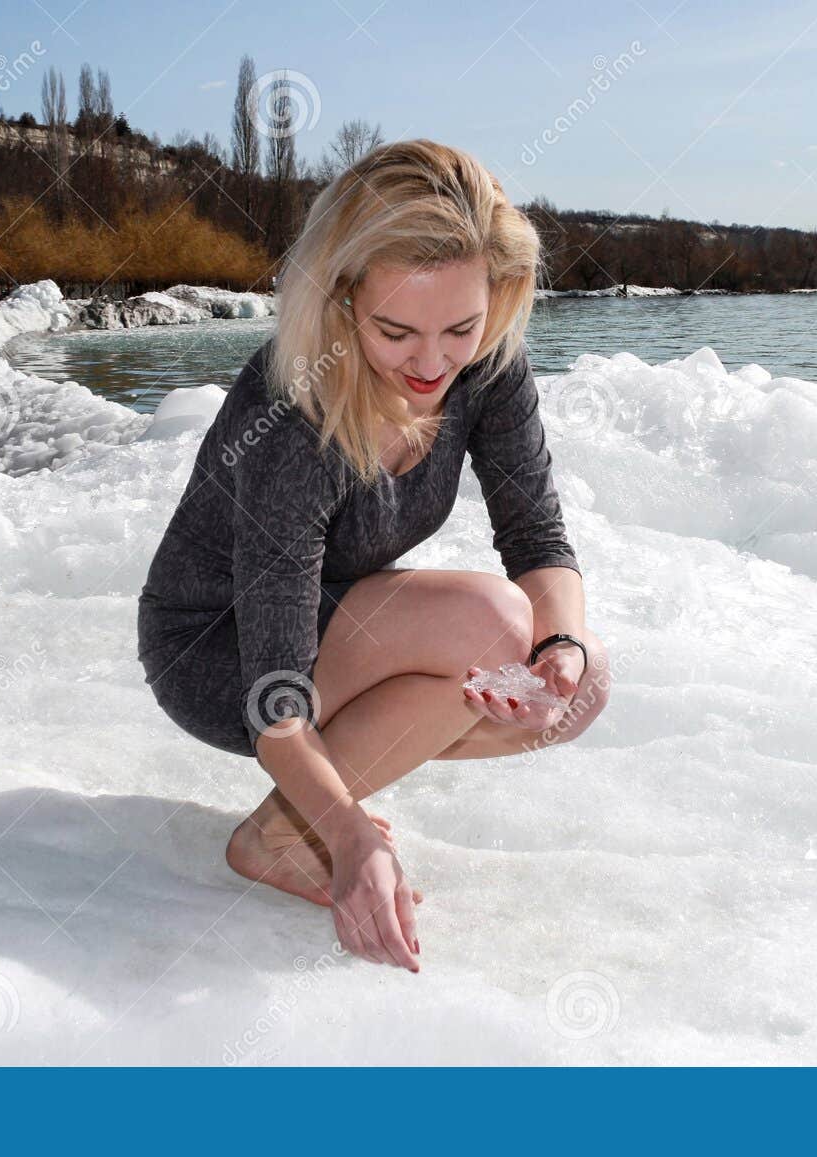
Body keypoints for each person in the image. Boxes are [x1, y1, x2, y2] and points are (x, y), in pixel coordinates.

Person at [137, 139, 611, 972]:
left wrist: (561, 650)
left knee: (578, 679)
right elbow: (275, 695)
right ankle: (283, 834)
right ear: (343, 296)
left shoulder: (488, 359)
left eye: (459, 327)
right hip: (224, 648)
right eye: (397, 330)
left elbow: (537, 535)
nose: (433, 362)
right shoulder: (296, 414)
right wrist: (349, 832)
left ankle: (311, 809)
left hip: (335, 619)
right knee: (495, 624)